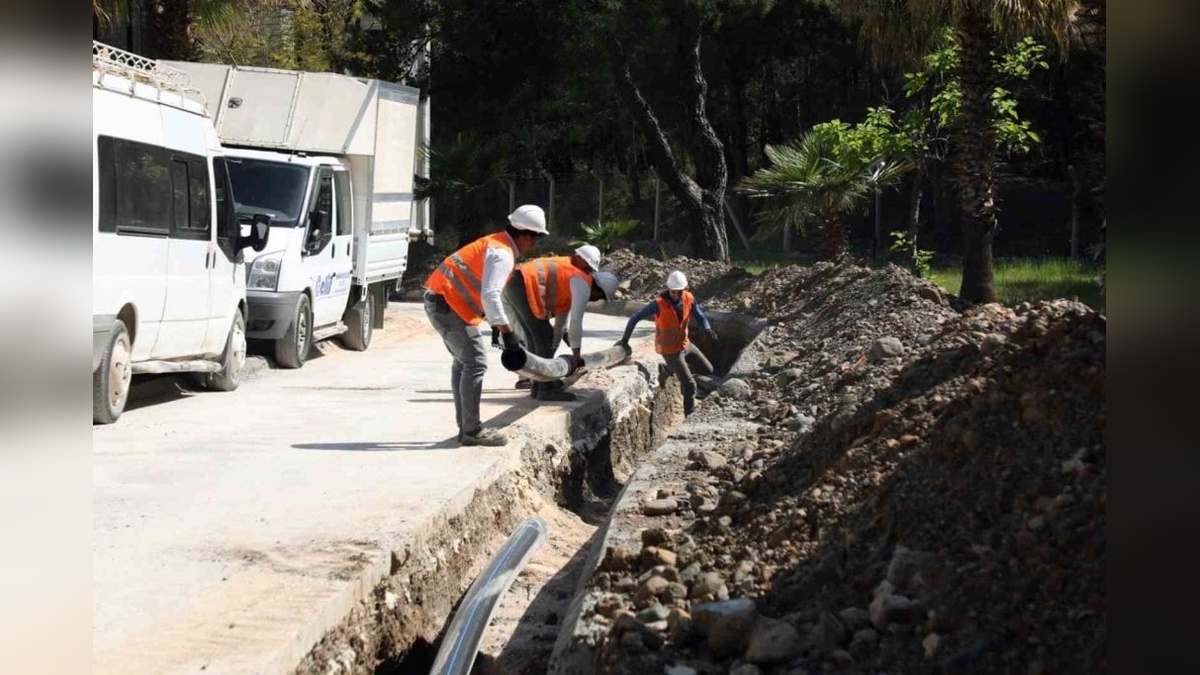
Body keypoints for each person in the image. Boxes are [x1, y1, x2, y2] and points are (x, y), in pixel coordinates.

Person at [423, 204, 548, 446]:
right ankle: (471, 431)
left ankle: (466, 428)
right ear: (525, 236)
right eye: (535, 241)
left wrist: (493, 321)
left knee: (463, 363)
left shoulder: (495, 243)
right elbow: (490, 294)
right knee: (475, 362)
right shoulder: (502, 253)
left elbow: (485, 291)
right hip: (447, 304)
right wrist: (507, 331)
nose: (533, 246)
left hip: (443, 301)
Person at [501, 244, 620, 401]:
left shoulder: (570, 282)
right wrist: (576, 355)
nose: (597, 300)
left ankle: (539, 384)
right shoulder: (582, 283)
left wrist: (553, 355)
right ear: (598, 288)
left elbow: (560, 327)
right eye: (600, 297)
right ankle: (544, 389)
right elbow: (576, 322)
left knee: (538, 337)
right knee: (542, 335)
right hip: (521, 283)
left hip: (516, 281)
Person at [615, 270, 716, 416]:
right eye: (673, 292)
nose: (675, 295)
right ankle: (688, 415)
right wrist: (625, 339)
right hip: (670, 350)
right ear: (668, 289)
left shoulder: (688, 298)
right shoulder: (658, 304)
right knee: (689, 385)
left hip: (685, 344)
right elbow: (635, 318)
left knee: (708, 370)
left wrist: (707, 328)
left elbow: (700, 315)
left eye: (679, 292)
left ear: (684, 290)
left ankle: (668, 370)